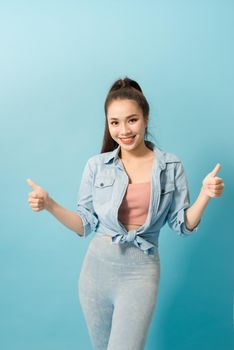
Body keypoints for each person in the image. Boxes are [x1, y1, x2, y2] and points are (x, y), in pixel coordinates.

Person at [27, 77, 225, 350]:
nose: (124, 130)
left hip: (140, 272)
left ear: (145, 119)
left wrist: (205, 195)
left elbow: (182, 225)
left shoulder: (170, 166)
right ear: (108, 125)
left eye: (132, 120)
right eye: (115, 123)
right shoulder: (97, 166)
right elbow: (84, 224)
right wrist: (50, 204)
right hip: (96, 271)